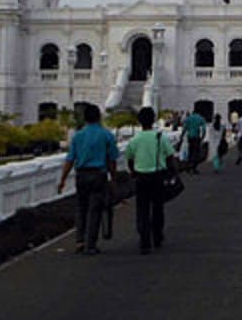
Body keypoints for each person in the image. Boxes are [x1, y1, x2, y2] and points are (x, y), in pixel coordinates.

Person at [57, 103, 118, 256]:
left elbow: (70, 159)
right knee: (95, 209)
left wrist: (63, 179)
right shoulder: (106, 135)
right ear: (99, 117)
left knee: (81, 208)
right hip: (98, 174)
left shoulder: (78, 136)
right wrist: (114, 178)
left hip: (81, 174)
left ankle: (80, 241)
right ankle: (90, 244)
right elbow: (111, 160)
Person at [125, 107, 175, 255]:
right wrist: (173, 172)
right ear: (153, 120)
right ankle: (157, 236)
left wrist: (134, 172)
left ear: (139, 121)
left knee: (142, 210)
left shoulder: (134, 140)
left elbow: (130, 159)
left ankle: (145, 240)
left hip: (141, 177)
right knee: (158, 208)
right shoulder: (160, 137)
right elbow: (170, 156)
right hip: (158, 176)